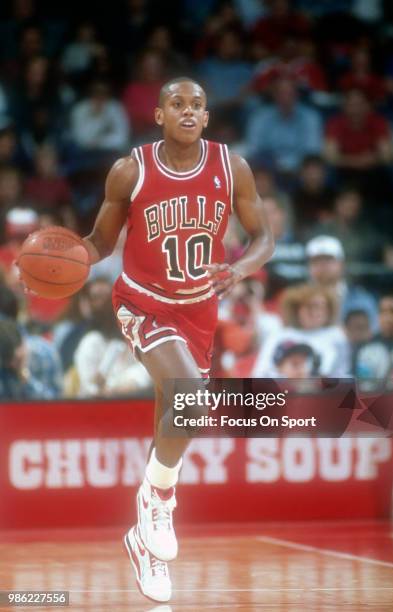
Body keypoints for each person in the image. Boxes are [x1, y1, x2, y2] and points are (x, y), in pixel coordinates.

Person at [80, 77, 273, 603]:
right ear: (159, 115)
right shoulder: (131, 170)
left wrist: (240, 269)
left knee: (177, 416)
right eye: (176, 104)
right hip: (142, 300)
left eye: (197, 105)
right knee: (193, 400)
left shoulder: (231, 166)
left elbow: (264, 237)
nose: (187, 112)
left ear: (207, 117)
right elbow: (100, 241)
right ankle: (158, 497)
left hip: (199, 309)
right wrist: (65, 259)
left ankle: (143, 542)